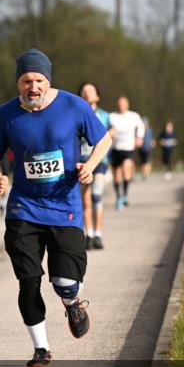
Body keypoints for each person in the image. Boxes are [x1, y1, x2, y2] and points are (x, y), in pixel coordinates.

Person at [0, 49, 112, 367]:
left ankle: (72, 302)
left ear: (48, 80)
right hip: (23, 208)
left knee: (65, 281)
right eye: (27, 81)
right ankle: (41, 349)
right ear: (18, 83)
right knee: (28, 281)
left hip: (64, 206)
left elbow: (104, 140)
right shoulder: (6, 114)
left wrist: (90, 167)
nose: (33, 87)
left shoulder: (73, 105)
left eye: (39, 80)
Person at [77, 83, 110, 251]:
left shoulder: (104, 116)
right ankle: (88, 234)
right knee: (85, 200)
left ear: (97, 96)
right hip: (82, 161)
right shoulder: (75, 114)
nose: (87, 93)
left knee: (96, 194)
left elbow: (110, 135)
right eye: (84, 91)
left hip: (100, 162)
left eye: (91, 91)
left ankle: (98, 233)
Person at [107, 96, 145, 210]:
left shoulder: (133, 116)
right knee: (117, 176)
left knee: (127, 169)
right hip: (116, 148)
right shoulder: (111, 116)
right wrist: (109, 133)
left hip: (128, 148)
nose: (121, 105)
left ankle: (125, 195)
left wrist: (139, 137)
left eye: (123, 103)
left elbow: (141, 126)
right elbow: (105, 128)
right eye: (119, 103)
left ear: (127, 105)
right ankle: (119, 196)